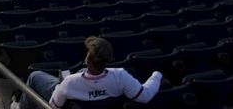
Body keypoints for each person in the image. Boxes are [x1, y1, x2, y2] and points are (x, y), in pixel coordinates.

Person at [27, 36, 163, 106]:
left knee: (34, 76)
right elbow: (145, 95)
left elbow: (53, 106)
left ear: (87, 59)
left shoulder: (69, 82)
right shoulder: (121, 76)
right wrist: (157, 74)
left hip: (65, 90)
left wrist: (60, 86)